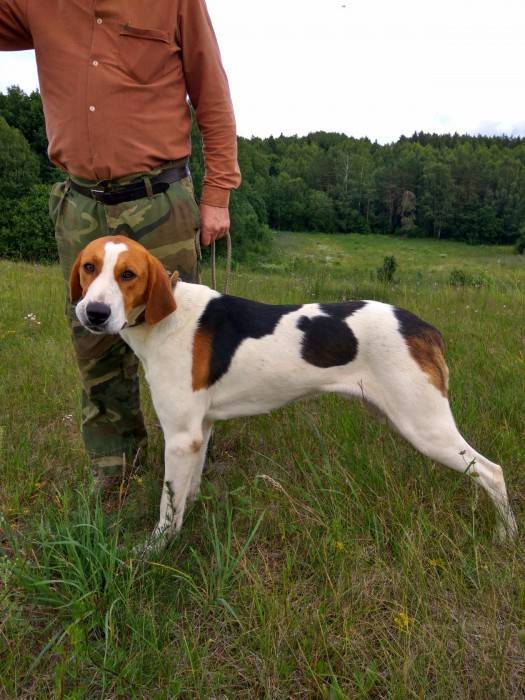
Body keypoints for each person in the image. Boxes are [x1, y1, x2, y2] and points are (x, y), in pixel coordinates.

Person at [0, 0, 241, 489]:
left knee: (178, 339)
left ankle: (191, 455)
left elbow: (212, 91)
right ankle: (117, 469)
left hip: (158, 202)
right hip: (80, 204)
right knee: (94, 341)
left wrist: (217, 194)